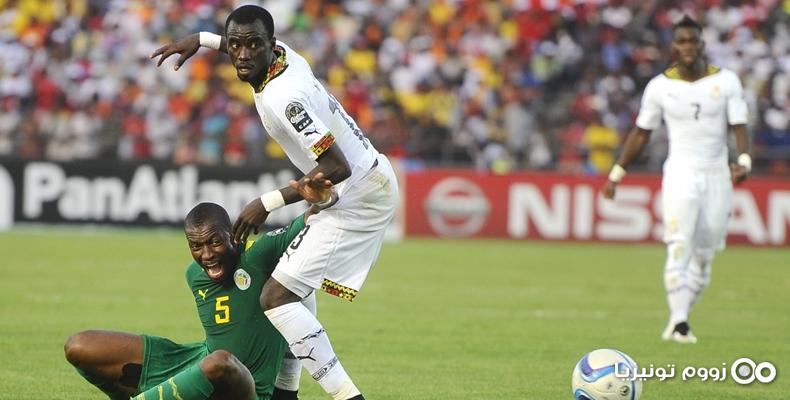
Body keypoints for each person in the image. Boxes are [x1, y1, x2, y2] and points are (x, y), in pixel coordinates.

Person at [151, 5, 399, 400]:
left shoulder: (286, 97)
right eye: (235, 45)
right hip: (364, 180)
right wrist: (201, 39)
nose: (242, 54)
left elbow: (337, 167)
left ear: (270, 44)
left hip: (359, 193)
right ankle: (287, 395)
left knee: (276, 297)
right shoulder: (282, 56)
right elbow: (242, 43)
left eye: (253, 45)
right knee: (291, 285)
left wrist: (266, 202)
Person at [64, 180, 333, 400]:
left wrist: (320, 199)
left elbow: (312, 219)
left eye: (215, 242)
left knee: (221, 362)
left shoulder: (259, 256)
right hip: (198, 364)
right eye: (196, 246)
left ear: (233, 235)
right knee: (79, 346)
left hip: (244, 387)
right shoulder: (193, 275)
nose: (206, 255)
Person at [602, 15, 750, 344]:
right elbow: (641, 133)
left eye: (692, 40)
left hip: (717, 175)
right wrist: (617, 173)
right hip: (680, 173)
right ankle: (681, 322)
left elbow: (739, 125)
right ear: (673, 45)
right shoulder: (660, 87)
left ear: (702, 44)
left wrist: (743, 160)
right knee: (679, 243)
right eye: (681, 41)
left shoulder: (726, 81)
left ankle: (677, 319)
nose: (687, 46)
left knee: (705, 254)